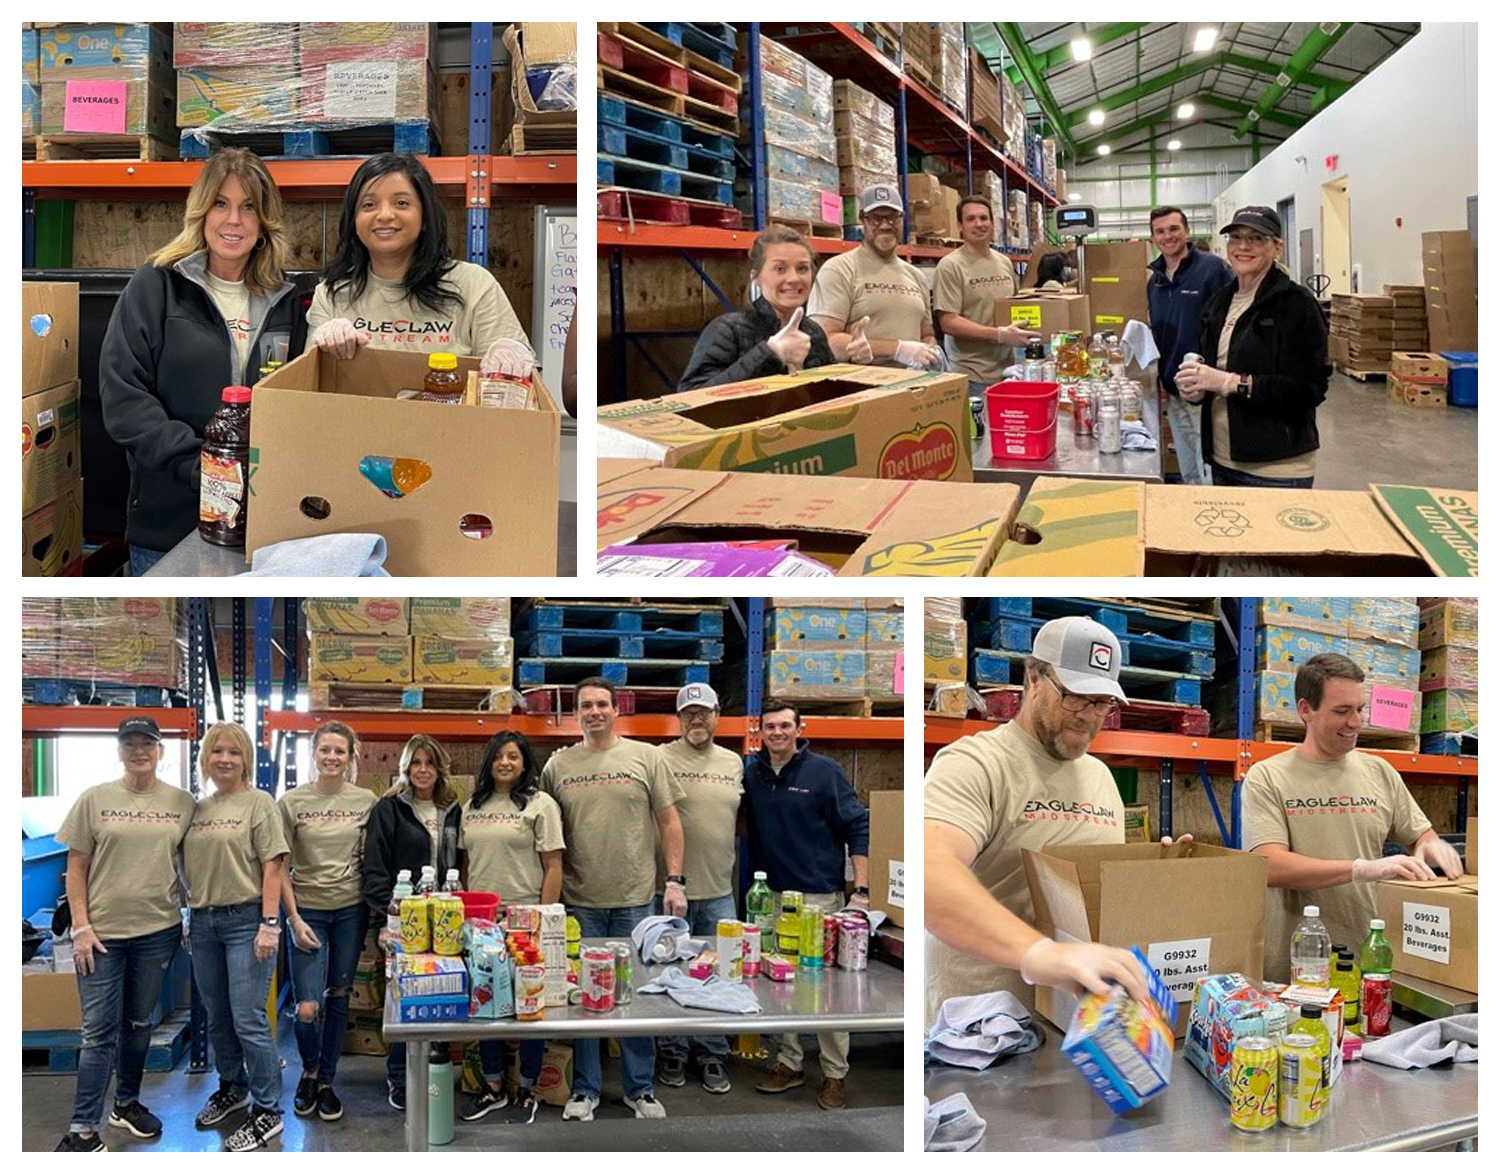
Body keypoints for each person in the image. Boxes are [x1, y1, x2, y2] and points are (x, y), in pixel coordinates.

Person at [924, 618, 1160, 1028]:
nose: (1089, 716)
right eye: (1075, 696)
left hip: (1072, 1025)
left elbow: (1095, 894)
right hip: (978, 1032)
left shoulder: (1102, 779)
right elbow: (929, 872)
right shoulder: (976, 763)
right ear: (1033, 677)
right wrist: (1040, 954)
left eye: (1103, 702)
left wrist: (1162, 870)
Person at [99, 148, 305, 575]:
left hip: (261, 527)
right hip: (168, 521)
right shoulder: (157, 285)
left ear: (265, 220)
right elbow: (124, 397)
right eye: (221, 204)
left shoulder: (287, 301)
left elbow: (300, 401)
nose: (234, 220)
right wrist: (202, 468)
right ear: (201, 212)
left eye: (249, 207)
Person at [1244, 653, 1464, 982]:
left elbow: (1421, 834)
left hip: (1369, 962)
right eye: (1342, 711)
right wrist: (1360, 869)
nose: (1356, 722)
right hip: (1298, 969)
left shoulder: (1379, 771)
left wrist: (1431, 846)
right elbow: (1269, 865)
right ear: (1306, 710)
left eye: (1360, 709)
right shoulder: (1267, 777)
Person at [540, 677, 686, 1122]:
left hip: (635, 899)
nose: (595, 711)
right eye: (586, 705)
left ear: (615, 709)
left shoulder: (647, 756)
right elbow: (545, 834)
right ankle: (585, 1089)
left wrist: (675, 881)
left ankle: (639, 1089)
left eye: (602, 703)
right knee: (584, 1000)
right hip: (580, 901)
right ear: (576, 713)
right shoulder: (557, 766)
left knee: (633, 999)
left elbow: (670, 822)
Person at [53, 717, 197, 1152]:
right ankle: (82, 1128)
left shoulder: (182, 802)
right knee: (98, 1032)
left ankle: (127, 1104)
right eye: (130, 743)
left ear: (160, 751)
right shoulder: (94, 800)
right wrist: (80, 926)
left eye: (147, 743)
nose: (139, 750)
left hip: (158, 931)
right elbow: (75, 866)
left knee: (138, 1024)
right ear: (119, 751)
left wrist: (191, 913)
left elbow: (192, 862)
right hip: (102, 936)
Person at [742, 701, 869, 1110]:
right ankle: (789, 1062)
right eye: (769, 726)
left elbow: (856, 825)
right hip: (769, 897)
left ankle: (835, 1074)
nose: (777, 733)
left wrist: (861, 890)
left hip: (819, 897)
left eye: (784, 726)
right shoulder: (752, 773)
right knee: (776, 984)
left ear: (799, 728)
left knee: (828, 987)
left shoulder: (824, 772)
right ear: (759, 730)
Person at [305, 152, 533, 380]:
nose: (384, 215)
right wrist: (325, 349)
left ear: (425, 218)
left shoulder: (473, 285)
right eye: (369, 204)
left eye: (401, 203)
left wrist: (510, 356)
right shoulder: (331, 295)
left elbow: (512, 386)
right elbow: (308, 386)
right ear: (354, 221)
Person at [183, 722, 290, 1152]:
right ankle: (233, 1086)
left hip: (246, 920)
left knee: (248, 1017)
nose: (225, 759)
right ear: (205, 759)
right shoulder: (197, 808)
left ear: (245, 759)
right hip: (203, 921)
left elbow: (273, 865)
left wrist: (269, 923)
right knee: (217, 1013)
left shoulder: (259, 803)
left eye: (234, 752)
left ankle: (267, 1112)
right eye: (217, 751)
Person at [1175, 206, 1330, 488]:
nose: (1243, 246)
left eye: (1256, 238)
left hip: (1276, 469)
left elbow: (1309, 389)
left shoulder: (1296, 304)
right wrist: (1196, 388)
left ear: (1277, 247)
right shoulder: (1220, 302)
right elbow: (1212, 368)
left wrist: (1230, 382)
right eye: (1235, 237)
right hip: (1222, 460)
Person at [458, 730, 564, 1123]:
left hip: (526, 919)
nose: (505, 762)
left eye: (513, 757)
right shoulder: (472, 805)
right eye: (498, 756)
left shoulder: (541, 805)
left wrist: (542, 917)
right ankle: (494, 1085)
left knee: (528, 1005)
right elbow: (468, 866)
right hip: (482, 922)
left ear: (524, 764)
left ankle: (529, 1087)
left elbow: (553, 865)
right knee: (487, 1003)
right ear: (488, 762)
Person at [277, 721, 375, 1124]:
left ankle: (326, 1081)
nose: (332, 757)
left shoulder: (366, 800)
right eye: (325, 750)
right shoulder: (292, 802)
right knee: (306, 1006)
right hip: (308, 911)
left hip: (351, 910)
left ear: (351, 757)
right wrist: (293, 917)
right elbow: (279, 866)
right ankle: (309, 1070)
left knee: (338, 995)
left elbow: (374, 857)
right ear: (314, 754)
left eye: (340, 751)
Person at [652, 684, 745, 1094]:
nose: (696, 719)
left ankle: (711, 1055)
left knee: (721, 975)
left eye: (703, 712)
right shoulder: (657, 757)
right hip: (667, 891)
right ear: (678, 718)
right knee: (668, 973)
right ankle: (672, 1051)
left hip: (719, 891)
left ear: (716, 714)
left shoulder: (734, 762)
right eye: (688, 713)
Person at [362, 734, 463, 1110]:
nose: (423, 770)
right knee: (404, 1001)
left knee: (441, 994)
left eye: (430, 763)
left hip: (446, 918)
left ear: (440, 769)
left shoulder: (451, 809)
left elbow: (459, 862)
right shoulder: (389, 809)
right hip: (402, 920)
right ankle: (400, 1077)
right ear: (406, 768)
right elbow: (373, 868)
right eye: (416, 763)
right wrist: (390, 914)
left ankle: (435, 1073)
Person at [678, 226, 836, 390]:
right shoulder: (728, 330)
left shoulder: (813, 332)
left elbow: (833, 393)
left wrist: (854, 359)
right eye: (780, 269)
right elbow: (690, 393)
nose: (794, 278)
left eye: (802, 268)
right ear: (756, 277)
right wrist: (771, 353)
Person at [1146, 205, 1235, 486]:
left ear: (1187, 231)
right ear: (1153, 239)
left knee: (1208, 468)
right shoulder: (1155, 281)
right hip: (1173, 389)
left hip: (1206, 392)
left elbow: (1232, 324)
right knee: (1188, 468)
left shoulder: (1213, 270)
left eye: (1174, 229)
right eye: (1160, 231)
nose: (1167, 236)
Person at [808, 184, 941, 369]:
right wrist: (898, 349)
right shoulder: (839, 270)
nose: (885, 225)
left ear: (902, 219)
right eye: (876, 219)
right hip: (863, 390)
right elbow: (823, 340)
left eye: (893, 217)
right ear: (862, 219)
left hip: (914, 389)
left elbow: (926, 333)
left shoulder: (916, 276)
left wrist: (930, 350)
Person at [933, 196, 1038, 400]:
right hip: (971, 374)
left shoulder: (1004, 262)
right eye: (971, 219)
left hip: (1007, 370)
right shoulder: (951, 266)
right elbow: (948, 322)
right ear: (960, 226)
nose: (979, 224)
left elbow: (1013, 307)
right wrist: (999, 334)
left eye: (983, 218)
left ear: (992, 223)